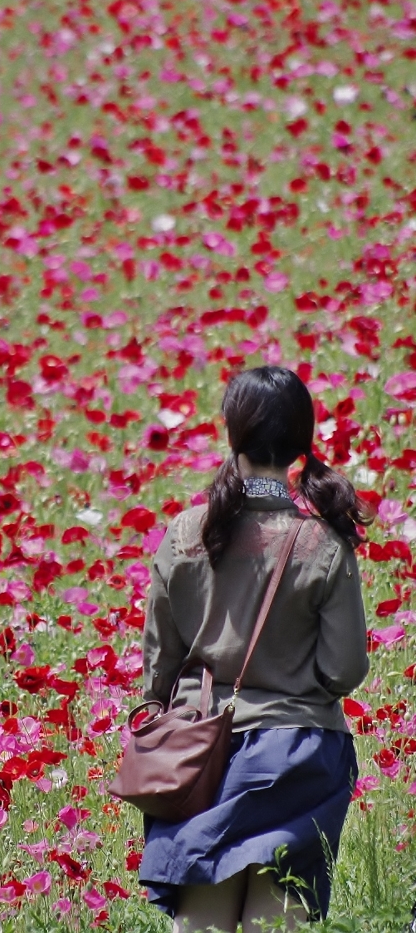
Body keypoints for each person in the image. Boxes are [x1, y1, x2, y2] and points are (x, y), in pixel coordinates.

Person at [137, 366, 371, 932]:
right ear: (300, 440)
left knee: (202, 921)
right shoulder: (323, 544)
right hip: (296, 757)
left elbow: (159, 663)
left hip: (198, 758)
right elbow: (343, 671)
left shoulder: (187, 532)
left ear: (232, 433)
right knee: (278, 920)